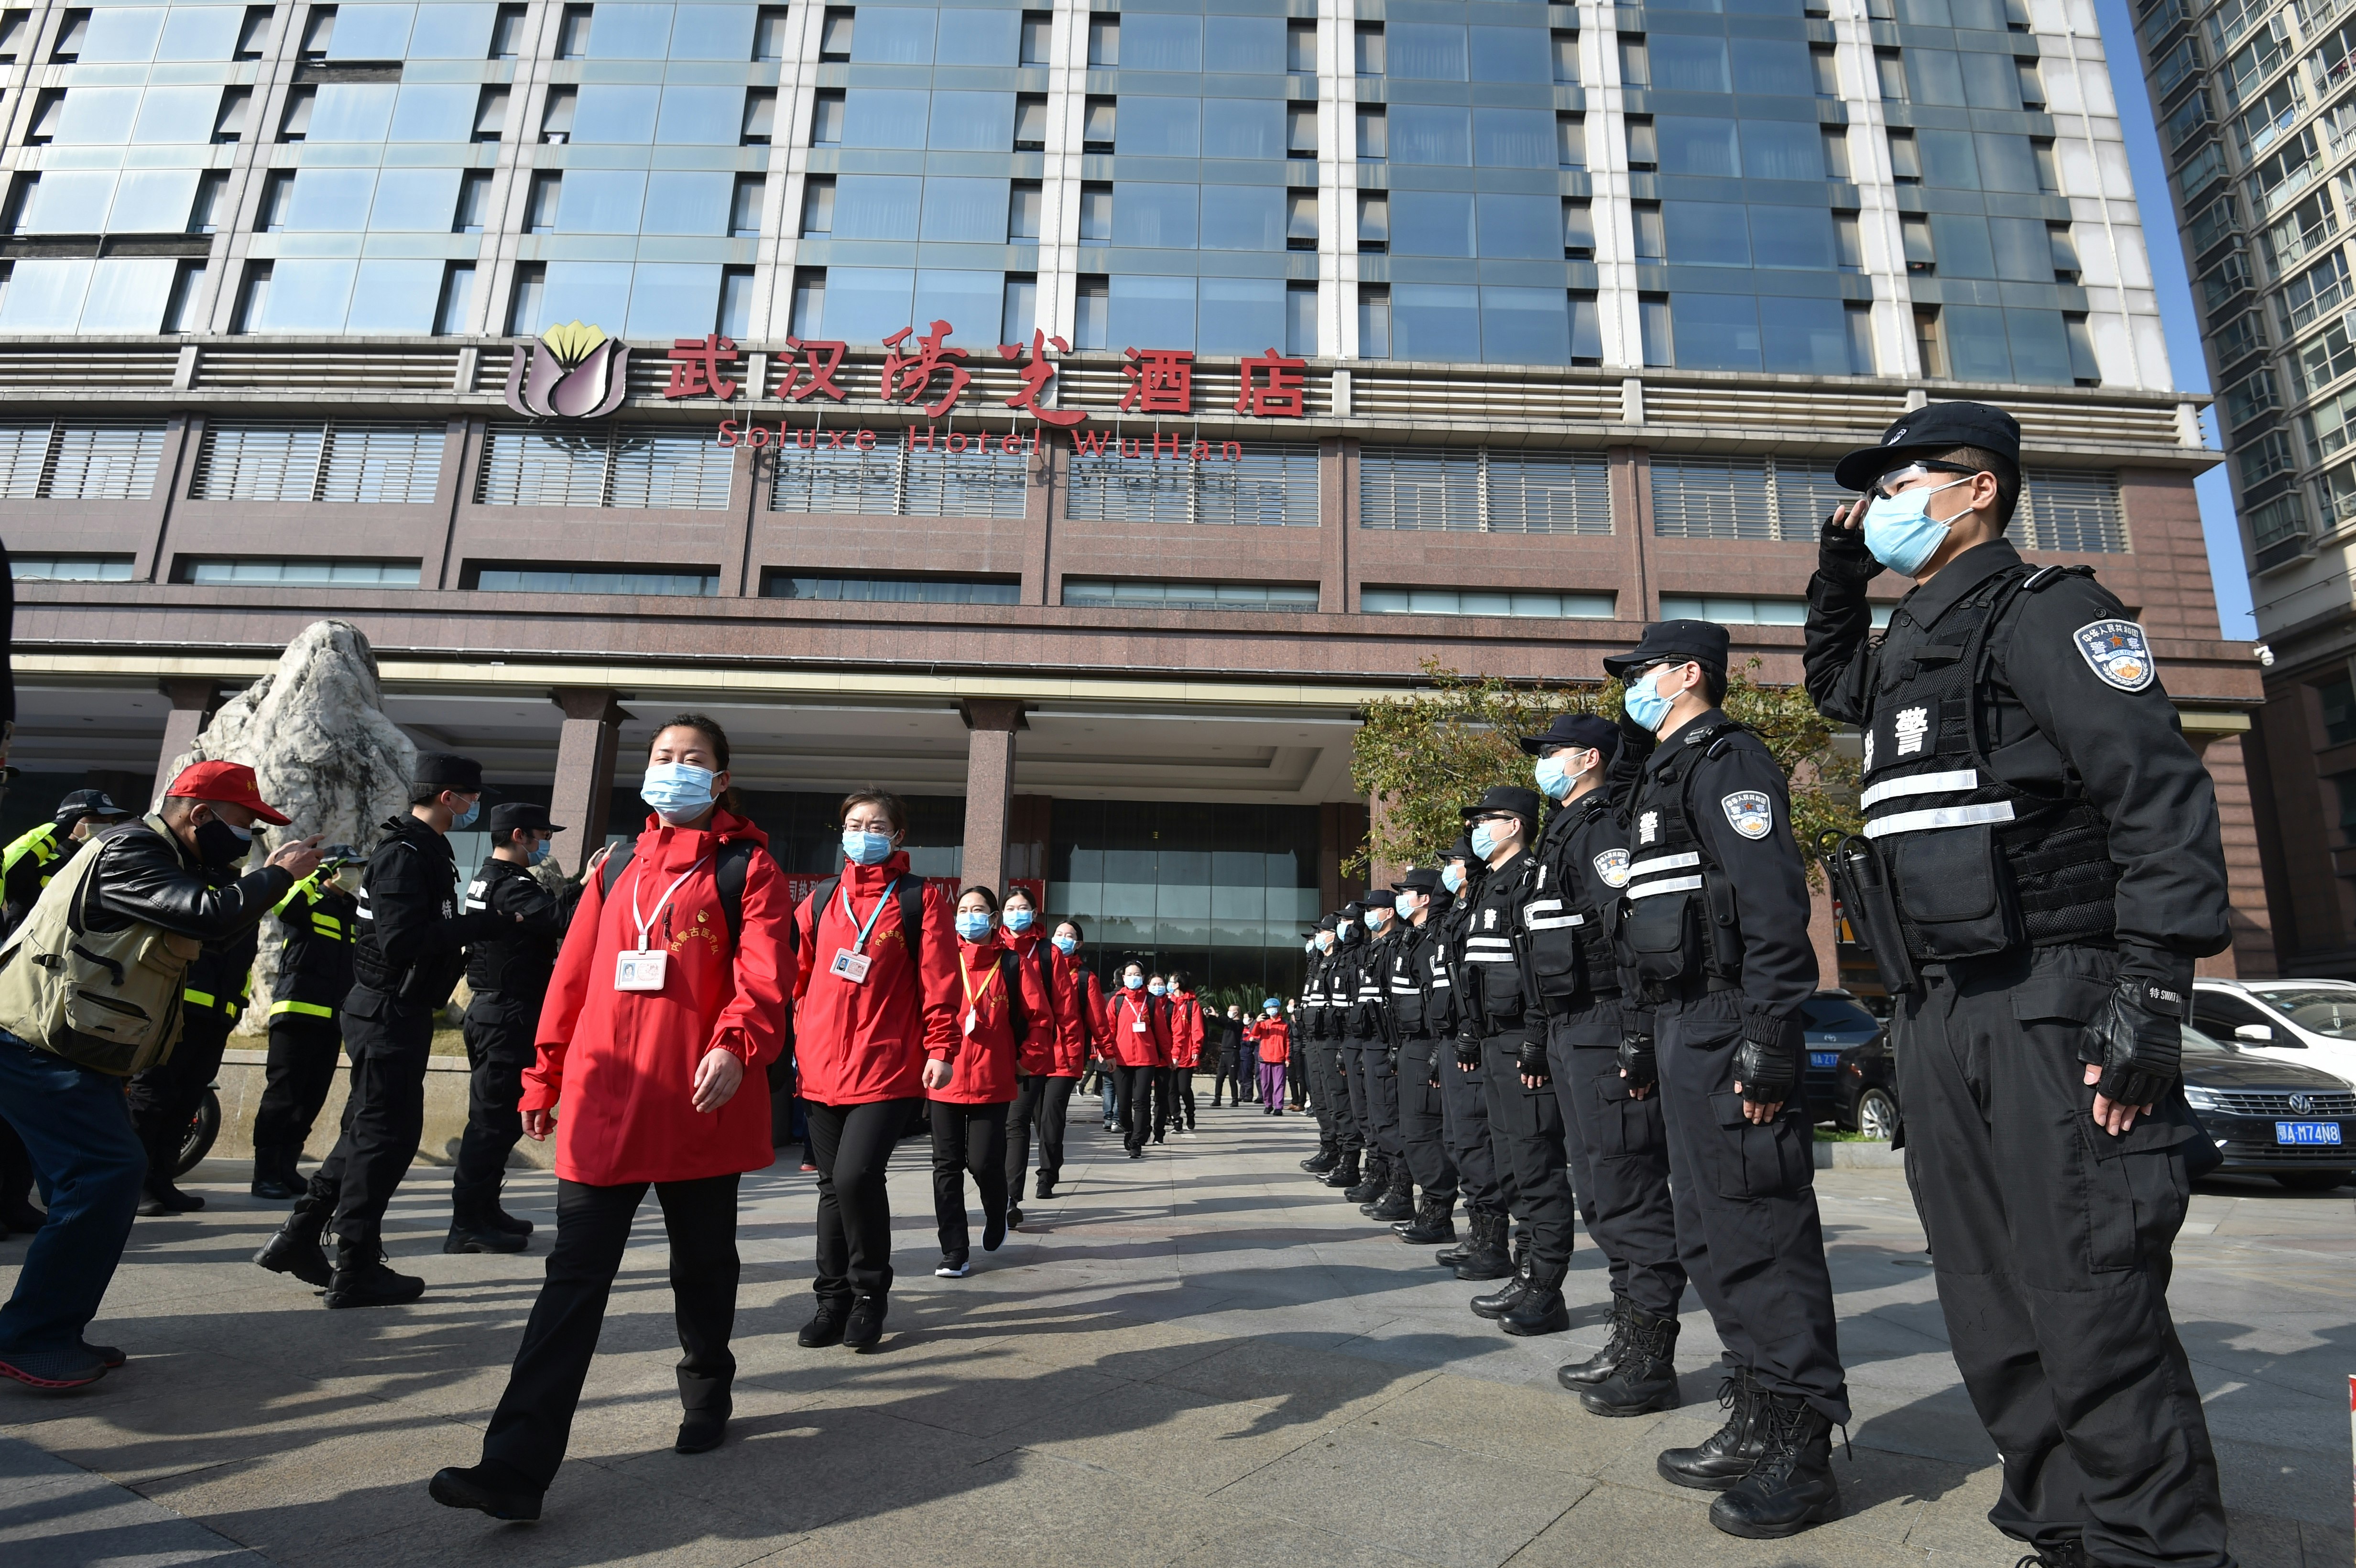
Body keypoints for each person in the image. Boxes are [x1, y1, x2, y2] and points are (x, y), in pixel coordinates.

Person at [1808, 403, 2237, 1568]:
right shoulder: (1913, 641)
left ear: (1980, 487)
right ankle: (2060, 1526)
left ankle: (2156, 1548)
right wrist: (1838, 570)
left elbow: (2160, 796)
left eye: (1903, 484)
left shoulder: (2051, 614)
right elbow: (1837, 687)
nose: (1884, 503)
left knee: (2088, 1287)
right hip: (1940, 1007)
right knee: (1988, 1293)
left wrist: (2153, 990)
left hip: (2054, 996)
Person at [429, 716, 791, 1523]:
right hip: (603, 1098)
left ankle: (706, 1387)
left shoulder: (746, 869)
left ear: (720, 780)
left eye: (692, 760)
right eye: (663, 757)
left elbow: (765, 978)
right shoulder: (616, 865)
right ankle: (514, 1468)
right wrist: (542, 1074)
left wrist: (736, 1045)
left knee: (703, 1267)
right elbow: (573, 976)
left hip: (698, 1101)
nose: (675, 770)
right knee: (572, 1280)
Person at [1605, 620, 1846, 1538]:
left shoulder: (1727, 760)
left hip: (1723, 1017)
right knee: (1709, 1236)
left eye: (1641, 673)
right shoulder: (1660, 774)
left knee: (1760, 1233)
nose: (1630, 686)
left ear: (1689, 674)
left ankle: (1801, 1451)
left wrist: (1771, 1031)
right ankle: (1752, 1415)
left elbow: (1773, 898)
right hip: (1678, 1024)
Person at [0, 762, 320, 1389]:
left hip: (73, 1048)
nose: (250, 836)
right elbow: (203, 916)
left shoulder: (168, 858)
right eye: (243, 823)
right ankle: (31, 1336)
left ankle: (51, 1329)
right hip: (33, 1042)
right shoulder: (131, 849)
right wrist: (275, 875)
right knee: (105, 1175)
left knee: (101, 1180)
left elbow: (214, 932)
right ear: (198, 814)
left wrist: (255, 881)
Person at [255, 751, 503, 1308]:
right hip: (386, 1011)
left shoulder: (425, 849)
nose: (475, 808)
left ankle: (300, 1236)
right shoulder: (405, 852)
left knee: (372, 1132)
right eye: (472, 797)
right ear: (448, 797)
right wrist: (478, 925)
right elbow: (399, 940)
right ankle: (356, 1264)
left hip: (398, 1011)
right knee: (383, 1138)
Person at [1518, 712, 1687, 1416]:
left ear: (1589, 759)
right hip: (1568, 1030)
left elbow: (1630, 934)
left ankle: (1652, 1359)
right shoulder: (1562, 832)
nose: (1545, 763)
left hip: (1603, 1023)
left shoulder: (1600, 830)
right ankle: (1627, 1336)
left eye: (1554, 752)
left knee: (1628, 1191)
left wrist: (1638, 1030)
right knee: (1598, 1190)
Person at [789, 790, 957, 1351]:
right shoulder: (820, 899)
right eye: (855, 823)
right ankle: (830, 1300)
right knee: (831, 1189)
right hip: (818, 1067)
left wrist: (940, 1047)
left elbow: (939, 982)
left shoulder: (918, 899)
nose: (864, 832)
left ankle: (868, 1294)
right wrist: (795, 1036)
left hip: (886, 1067)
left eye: (877, 824)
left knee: (855, 1176)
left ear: (898, 836)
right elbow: (798, 977)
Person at [1455, 786, 1574, 1337]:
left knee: (1535, 1166)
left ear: (1516, 825)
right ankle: (1526, 1276)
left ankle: (1545, 1290)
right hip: (1491, 1042)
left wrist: (1534, 1036)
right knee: (1511, 1165)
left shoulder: (1530, 878)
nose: (1479, 828)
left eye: (1489, 819)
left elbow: (1540, 968)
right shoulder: (1488, 886)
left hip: (1520, 1045)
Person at [447, 803, 576, 1253]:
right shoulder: (512, 883)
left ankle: (484, 1210)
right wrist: (591, 883)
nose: (543, 845)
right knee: (491, 1123)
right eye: (540, 836)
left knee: (499, 1122)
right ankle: (467, 1223)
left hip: (496, 1011)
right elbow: (559, 919)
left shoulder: (488, 876)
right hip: (505, 1014)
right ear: (519, 835)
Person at [124, 822, 265, 1215]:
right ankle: (131, 1185)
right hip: (177, 1007)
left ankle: (162, 1178)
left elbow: (242, 959)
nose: (244, 846)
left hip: (219, 1013)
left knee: (188, 1097)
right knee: (153, 1096)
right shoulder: (189, 877)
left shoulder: (241, 889)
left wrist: (236, 1005)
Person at [931, 886, 1049, 1276]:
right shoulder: (942, 960)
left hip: (992, 1080)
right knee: (946, 1166)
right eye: (963, 910)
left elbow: (1040, 1020)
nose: (969, 917)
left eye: (978, 910)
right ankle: (954, 1250)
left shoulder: (1014, 964)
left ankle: (997, 1210)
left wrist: (1027, 1061)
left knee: (983, 1163)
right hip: (943, 1077)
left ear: (994, 918)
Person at [250, 846, 361, 1200]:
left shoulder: (351, 912)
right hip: (296, 1012)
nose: (357, 874)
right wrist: (317, 874)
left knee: (310, 1098)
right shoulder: (308, 900)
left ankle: (287, 1168)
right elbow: (284, 906)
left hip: (332, 1021)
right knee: (283, 1096)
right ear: (334, 870)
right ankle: (265, 1173)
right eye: (351, 868)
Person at [1431, 838, 1509, 1279]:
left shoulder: (1487, 901)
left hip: (1476, 1040)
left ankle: (1493, 1244)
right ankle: (1479, 1234)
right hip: (1454, 1040)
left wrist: (1466, 1031)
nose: (1449, 870)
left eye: (1455, 862)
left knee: (1478, 1142)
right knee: (1459, 1141)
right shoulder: (1461, 909)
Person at [1385, 868, 1461, 1245]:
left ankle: (1437, 1213)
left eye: (1408, 892)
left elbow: (1442, 1001)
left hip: (1428, 1045)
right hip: (1411, 1045)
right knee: (1412, 1133)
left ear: (1425, 898)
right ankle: (1428, 1208)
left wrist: (1434, 1052)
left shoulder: (1434, 941)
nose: (1402, 898)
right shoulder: (1415, 939)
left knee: (1424, 1133)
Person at [1008, 916, 1098, 1211]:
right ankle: (1015, 1190)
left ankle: (1046, 1175)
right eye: (1059, 933)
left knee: (1050, 1118)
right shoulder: (1030, 963)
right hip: (1033, 1055)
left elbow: (1087, 1020)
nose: (1062, 938)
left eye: (1069, 935)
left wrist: (1091, 1055)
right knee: (1027, 1118)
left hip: (1062, 1059)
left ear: (1078, 943)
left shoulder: (1084, 978)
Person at [1353, 893, 1414, 1222]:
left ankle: (1400, 1189)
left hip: (1387, 1041)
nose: (1367, 917)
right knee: (1375, 1119)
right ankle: (1381, 1179)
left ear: (1388, 913)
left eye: (1371, 911)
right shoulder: (1375, 949)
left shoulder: (1395, 946)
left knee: (1390, 1120)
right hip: (1371, 1041)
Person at [2, 788, 129, 932]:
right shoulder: (39, 862)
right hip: (27, 949)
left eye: (111, 821)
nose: (106, 825)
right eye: (97, 819)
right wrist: (59, 828)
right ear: (70, 821)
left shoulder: (107, 864)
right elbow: (7, 871)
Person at [1103, 961, 1169, 1158]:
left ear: (1143, 977)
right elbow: (1107, 1030)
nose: (1134, 977)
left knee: (1141, 1101)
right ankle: (1129, 1130)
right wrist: (1105, 1052)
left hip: (1146, 1059)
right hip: (1121, 1060)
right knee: (1123, 1106)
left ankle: (1138, 1141)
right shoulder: (1117, 1001)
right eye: (1130, 974)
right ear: (1123, 978)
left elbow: (1161, 1032)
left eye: (1138, 974)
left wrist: (1169, 1056)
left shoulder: (1151, 1001)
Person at [1164, 970, 1202, 1135]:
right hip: (1169, 1052)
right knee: (1171, 1089)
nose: (1168, 984)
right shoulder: (1166, 1002)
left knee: (1184, 1089)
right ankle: (1176, 1120)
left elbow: (1197, 1029)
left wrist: (1196, 1049)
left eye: (1171, 981)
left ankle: (1190, 1112)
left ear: (1177, 984)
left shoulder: (1192, 1005)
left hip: (1186, 1053)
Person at [1246, 999, 1289, 1113]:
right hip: (1265, 1058)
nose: (1271, 1009)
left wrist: (1287, 1057)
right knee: (1265, 1084)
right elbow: (1254, 1034)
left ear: (1278, 1008)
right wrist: (1257, 1022)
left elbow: (1288, 1042)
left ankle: (1278, 1107)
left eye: (1273, 1007)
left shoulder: (1285, 1024)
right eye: (1268, 1008)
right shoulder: (1263, 1023)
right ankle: (1268, 1104)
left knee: (1279, 1084)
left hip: (1279, 1058)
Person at [1209, 1004, 1245, 1107]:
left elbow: (1229, 1022)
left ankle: (1235, 1100)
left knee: (1232, 1078)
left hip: (1233, 1053)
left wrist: (1217, 1015)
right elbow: (1220, 1022)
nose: (1229, 1013)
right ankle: (1217, 1099)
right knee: (1220, 1077)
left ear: (1236, 1013)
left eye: (1231, 1011)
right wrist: (1211, 1017)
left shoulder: (1238, 1024)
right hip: (1224, 1053)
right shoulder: (1228, 1024)